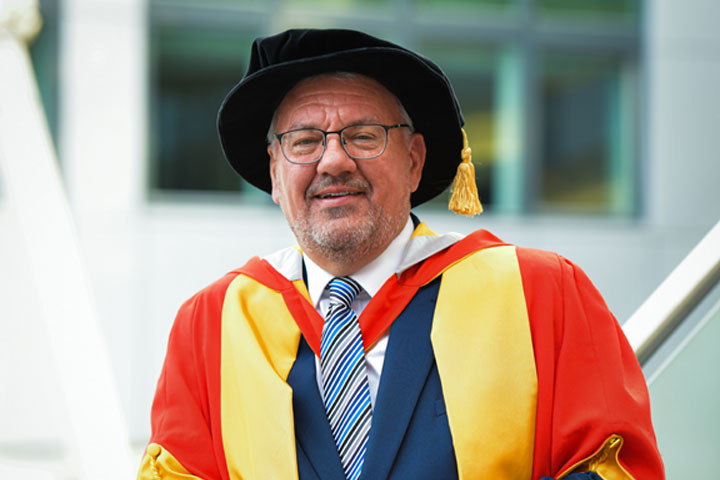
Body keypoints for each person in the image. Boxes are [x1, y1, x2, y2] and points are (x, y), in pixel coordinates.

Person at [138, 28, 664, 480]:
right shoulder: (213, 324)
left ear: (414, 163)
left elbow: (611, 467)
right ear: (275, 173)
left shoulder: (540, 293)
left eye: (364, 136)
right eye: (303, 142)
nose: (333, 161)